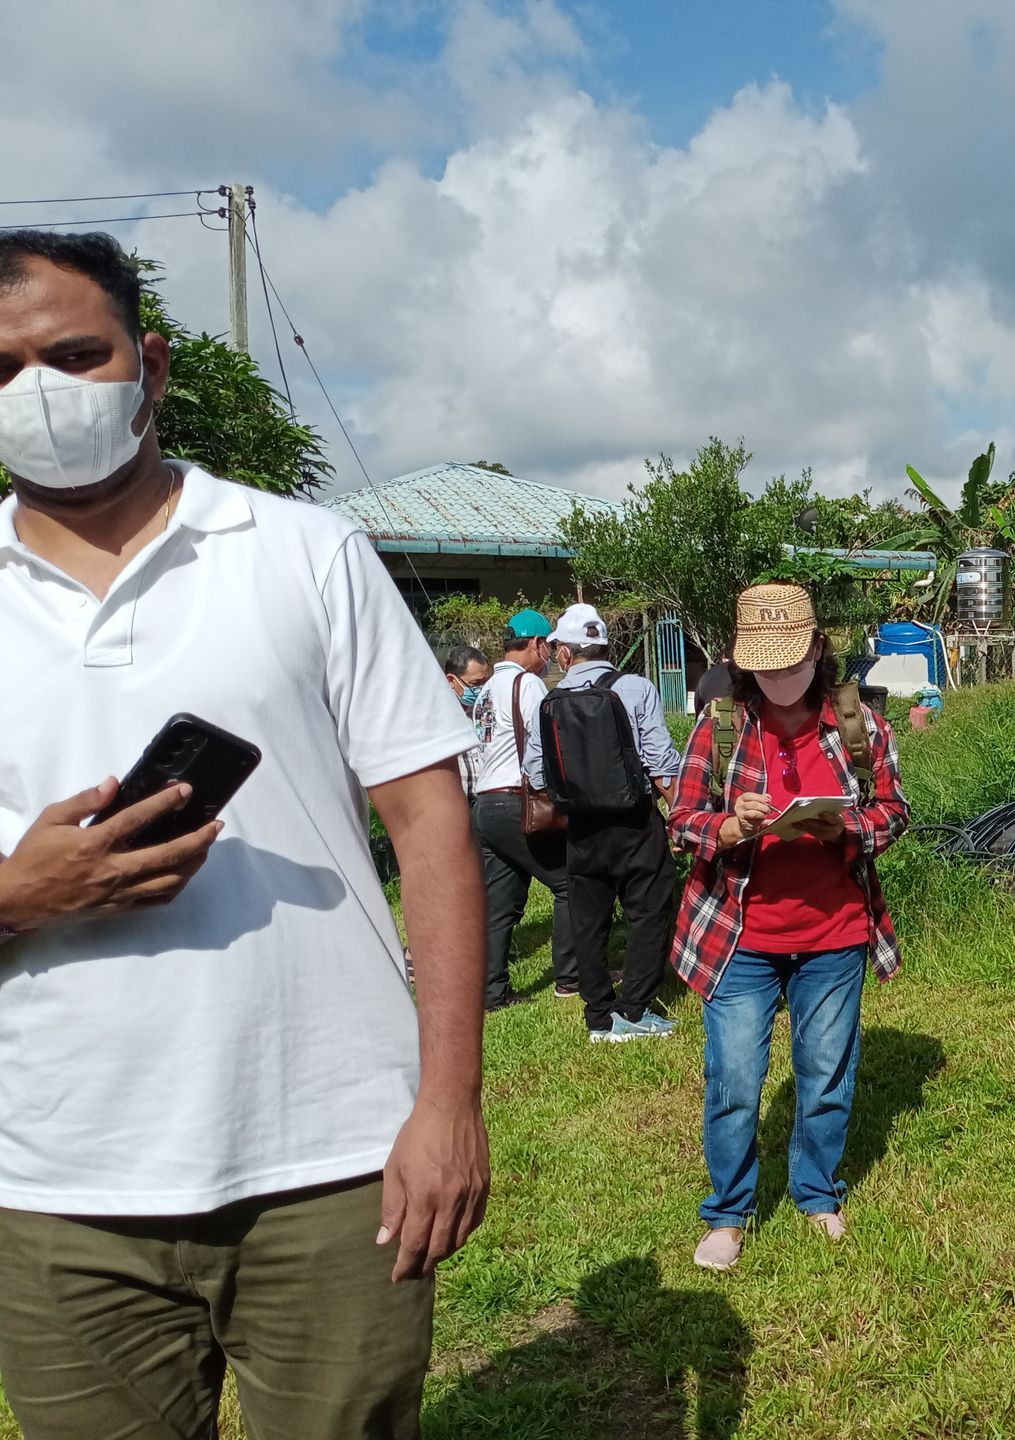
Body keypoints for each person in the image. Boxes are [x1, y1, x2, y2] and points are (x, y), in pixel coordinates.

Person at [0, 229, 488, 1438]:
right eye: (1, 372)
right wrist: (23, 894)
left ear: (151, 366)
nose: (40, 394)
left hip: (328, 1155)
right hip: (57, 1178)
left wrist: (450, 1102)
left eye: (73, 354)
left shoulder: (305, 554)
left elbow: (430, 820)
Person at [668, 584, 910, 1272]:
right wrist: (730, 825)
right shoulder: (720, 728)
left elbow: (895, 810)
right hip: (738, 939)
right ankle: (728, 1211)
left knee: (826, 1073)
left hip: (835, 933)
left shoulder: (857, 724)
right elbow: (682, 822)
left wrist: (850, 825)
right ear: (744, 663)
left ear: (817, 648)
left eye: (792, 661)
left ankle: (816, 1191)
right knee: (736, 1079)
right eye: (764, 666)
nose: (779, 677)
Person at [524, 603, 682, 1043]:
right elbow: (659, 759)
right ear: (603, 646)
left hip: (581, 828)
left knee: (588, 919)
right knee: (649, 910)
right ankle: (634, 1007)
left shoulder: (549, 702)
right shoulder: (636, 687)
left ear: (566, 654)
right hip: (634, 822)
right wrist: (680, 809)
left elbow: (536, 772)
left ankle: (599, 1016)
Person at [470, 609, 578, 1007]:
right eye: (547, 645)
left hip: (484, 805)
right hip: (517, 801)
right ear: (536, 644)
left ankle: (491, 990)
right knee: (569, 881)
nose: (549, 653)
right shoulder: (528, 685)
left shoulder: (485, 690)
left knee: (500, 902)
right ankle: (572, 977)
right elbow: (548, 743)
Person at [444, 644, 493, 800]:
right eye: (475, 684)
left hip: (486, 800)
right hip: (458, 801)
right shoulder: (440, 718)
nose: (482, 688)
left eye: (486, 682)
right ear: (452, 680)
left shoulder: (488, 708)